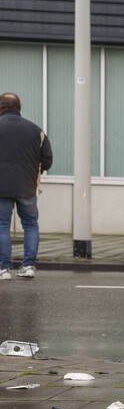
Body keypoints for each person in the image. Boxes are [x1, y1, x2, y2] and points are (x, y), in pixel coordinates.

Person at [0, 92, 52, 280]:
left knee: (1, 224)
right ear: (19, 107)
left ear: (1, 107)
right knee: (30, 224)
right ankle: (28, 266)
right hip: (27, 187)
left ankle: (3, 269)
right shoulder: (36, 130)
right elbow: (47, 160)